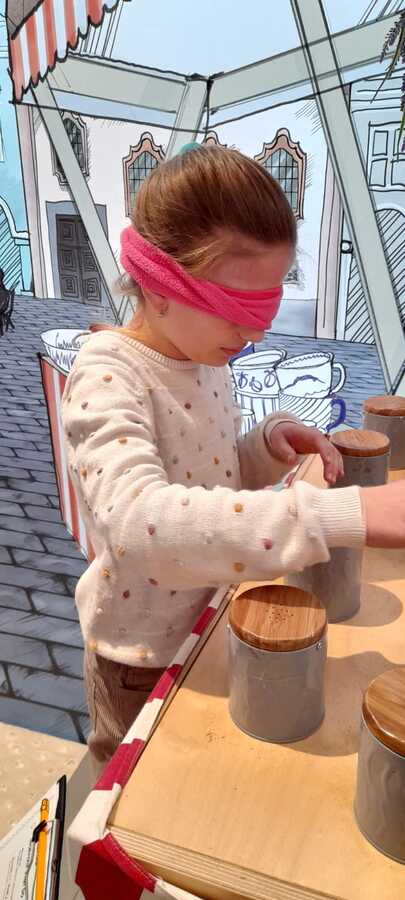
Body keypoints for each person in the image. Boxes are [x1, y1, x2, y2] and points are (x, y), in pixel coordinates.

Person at [61, 145, 405, 775]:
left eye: (268, 307)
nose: (257, 333)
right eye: (239, 310)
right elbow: (141, 526)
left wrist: (264, 448)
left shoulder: (201, 355)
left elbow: (206, 479)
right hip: (140, 659)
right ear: (159, 286)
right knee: (133, 793)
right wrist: (341, 514)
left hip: (212, 620)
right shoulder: (107, 375)